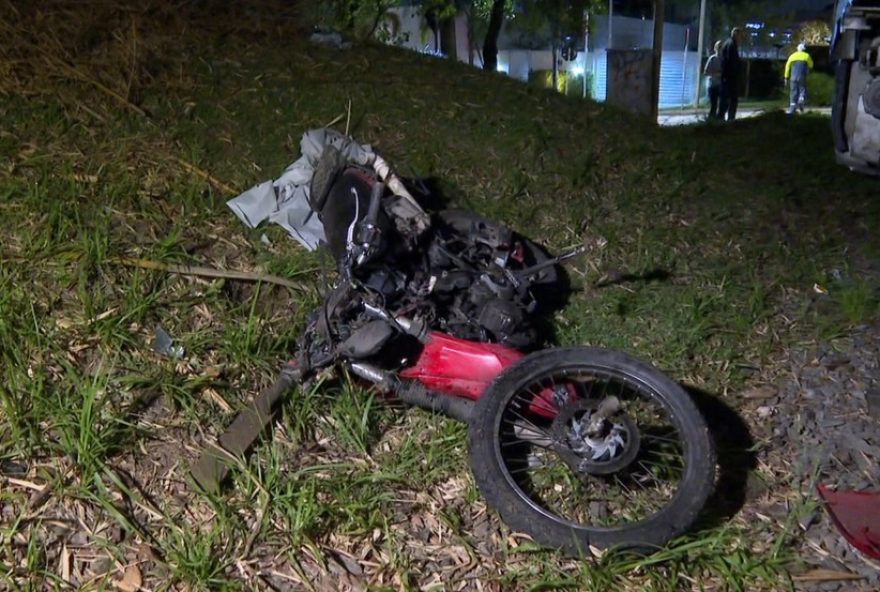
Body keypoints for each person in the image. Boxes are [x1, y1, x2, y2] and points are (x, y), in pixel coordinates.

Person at [718, 28, 743, 121]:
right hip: (730, 79)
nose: (741, 39)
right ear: (736, 35)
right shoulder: (731, 45)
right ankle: (729, 121)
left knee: (725, 102)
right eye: (740, 36)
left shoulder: (728, 44)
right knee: (731, 101)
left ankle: (721, 120)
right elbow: (732, 62)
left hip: (727, 78)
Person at [784, 43, 814, 114]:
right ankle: (801, 99)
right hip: (802, 76)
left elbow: (787, 67)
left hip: (793, 77)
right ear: (803, 49)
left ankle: (792, 108)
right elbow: (811, 65)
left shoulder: (792, 56)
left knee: (793, 91)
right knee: (802, 89)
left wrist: (786, 77)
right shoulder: (806, 56)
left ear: (797, 48)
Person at [703, 41, 722, 119]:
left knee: (722, 105)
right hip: (712, 85)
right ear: (715, 49)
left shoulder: (725, 59)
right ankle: (711, 120)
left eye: (721, 47)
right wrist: (717, 74)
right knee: (713, 106)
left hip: (721, 85)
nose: (720, 49)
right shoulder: (712, 58)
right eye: (719, 47)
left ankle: (719, 120)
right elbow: (706, 72)